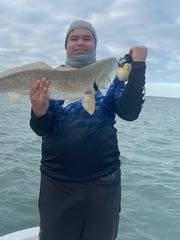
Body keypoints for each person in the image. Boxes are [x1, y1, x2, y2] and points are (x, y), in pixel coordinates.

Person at [29, 20, 148, 240]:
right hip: (57, 181)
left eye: (87, 38)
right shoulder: (50, 78)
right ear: (66, 44)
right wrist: (38, 110)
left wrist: (138, 66)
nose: (80, 43)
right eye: (74, 38)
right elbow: (41, 129)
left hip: (103, 182)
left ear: (95, 43)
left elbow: (129, 113)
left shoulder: (109, 78)